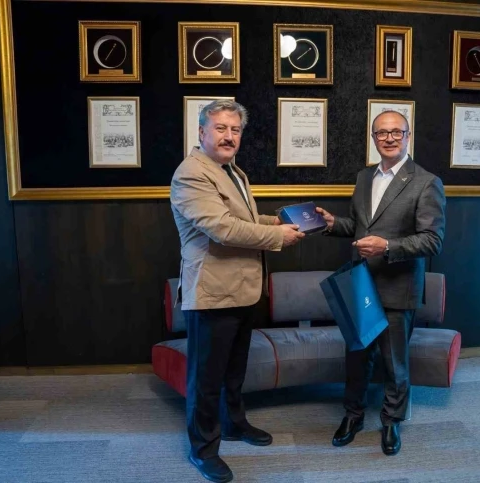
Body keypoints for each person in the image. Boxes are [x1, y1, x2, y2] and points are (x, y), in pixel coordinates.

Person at [170, 99, 304, 483]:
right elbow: (223, 228)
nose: (229, 136)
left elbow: (241, 218)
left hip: (243, 289)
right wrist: (277, 236)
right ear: (201, 132)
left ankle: (233, 424)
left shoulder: (231, 170)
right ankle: (203, 450)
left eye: (235, 129)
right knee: (206, 379)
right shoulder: (191, 173)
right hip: (212, 293)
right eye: (220, 128)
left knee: (233, 371)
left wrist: (276, 221)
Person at [316, 110, 446, 456]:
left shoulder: (426, 182)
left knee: (394, 363)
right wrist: (333, 224)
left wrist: (388, 247)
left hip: (398, 287)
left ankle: (391, 421)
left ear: (408, 136)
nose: (389, 138)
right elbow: (360, 227)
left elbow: (433, 241)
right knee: (357, 358)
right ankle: (353, 415)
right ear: (373, 138)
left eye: (396, 132)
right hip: (361, 285)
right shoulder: (364, 177)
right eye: (381, 133)